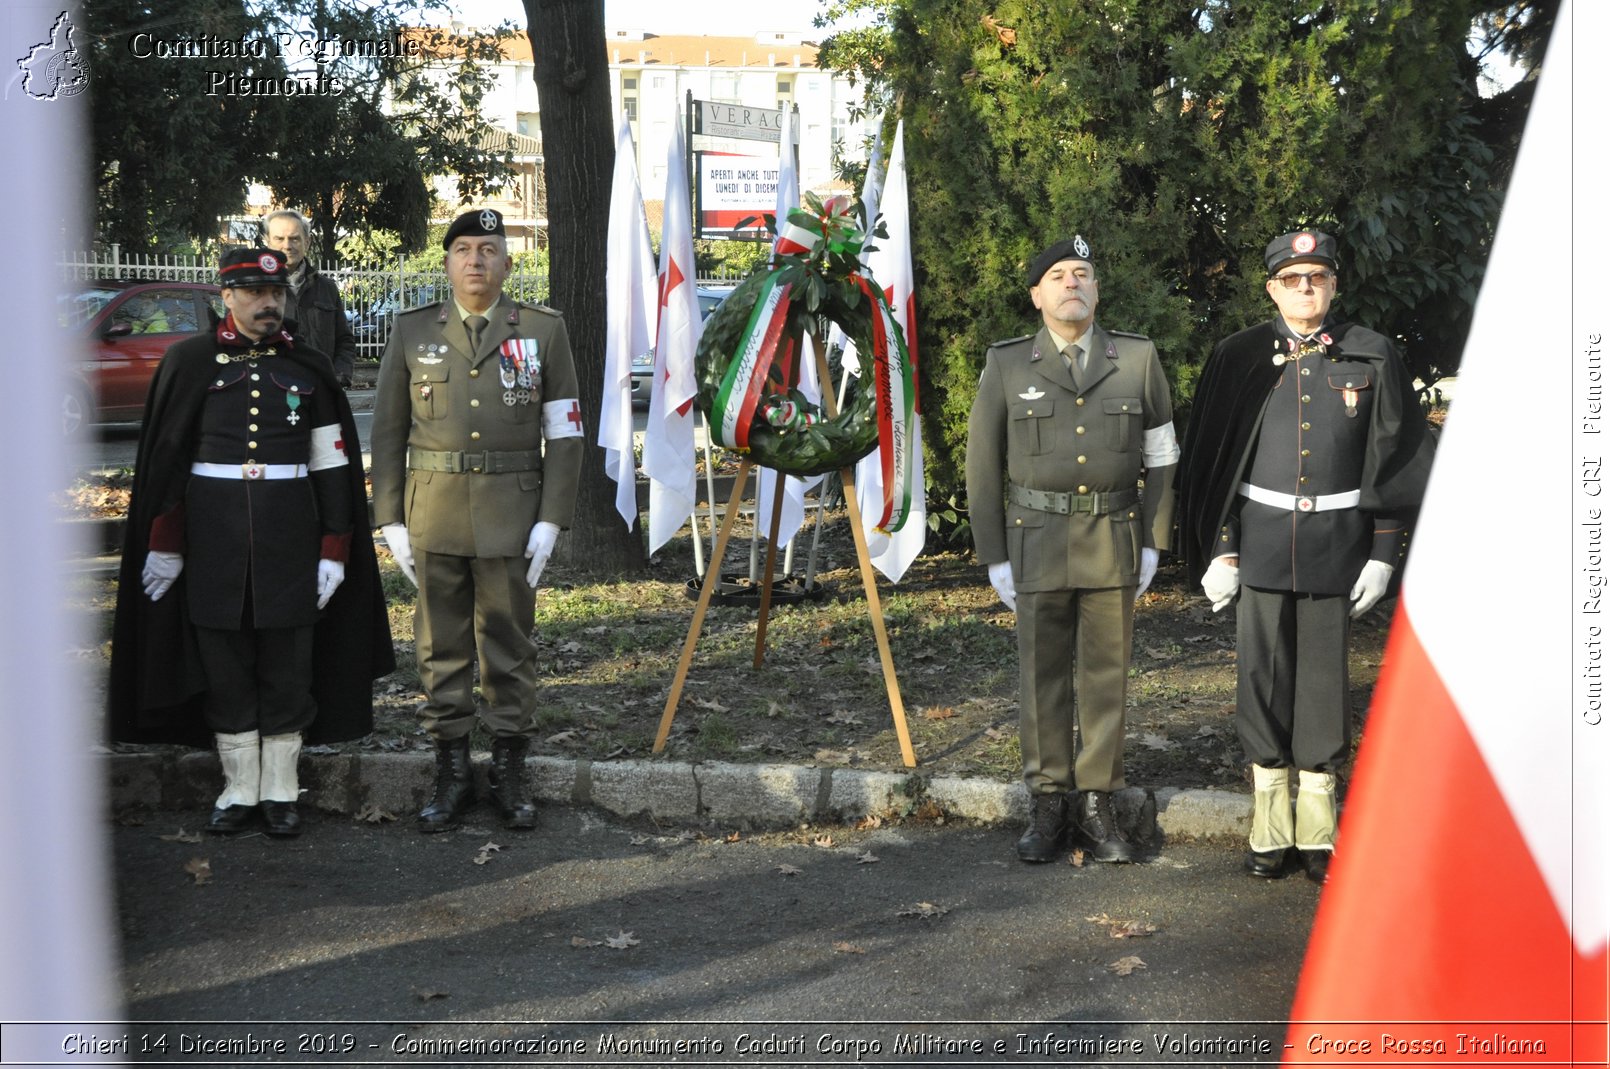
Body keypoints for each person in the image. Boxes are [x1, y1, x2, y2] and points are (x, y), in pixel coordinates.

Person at [108, 248, 395, 837]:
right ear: (227, 297)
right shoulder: (189, 362)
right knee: (225, 661)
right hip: (212, 542)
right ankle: (239, 789)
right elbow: (168, 463)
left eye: (277, 294)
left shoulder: (309, 368)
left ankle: (281, 789)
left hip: (290, 540)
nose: (269, 304)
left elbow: (332, 465)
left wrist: (335, 548)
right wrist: (165, 543)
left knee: (288, 665)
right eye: (255, 294)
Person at [1176, 230, 1434, 884]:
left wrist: (1382, 553)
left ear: (1335, 285)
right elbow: (1215, 464)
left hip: (1336, 546)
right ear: (1271, 288)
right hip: (1259, 544)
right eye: (1292, 280)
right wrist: (1222, 548)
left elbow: (1396, 460)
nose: (1305, 289)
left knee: (1322, 682)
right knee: (1259, 680)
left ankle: (1317, 829)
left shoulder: (1372, 354)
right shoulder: (1238, 357)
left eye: (1317, 277)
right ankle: (1270, 824)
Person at [369, 208, 584, 833]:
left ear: (507, 264)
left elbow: (564, 431)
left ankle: (510, 769)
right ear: (446, 263)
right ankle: (453, 769)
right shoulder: (413, 332)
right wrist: (391, 518)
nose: (475, 261)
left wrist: (552, 518)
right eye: (463, 249)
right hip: (432, 511)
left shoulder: (543, 331)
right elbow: (387, 432)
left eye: (488, 249)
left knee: (510, 643)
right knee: (440, 646)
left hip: (512, 514)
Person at [966, 235, 1179, 864]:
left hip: (1113, 536)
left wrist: (1154, 539)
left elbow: (1163, 456)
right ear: (1037, 294)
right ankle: (1049, 802)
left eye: (1082, 273)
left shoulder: (1136, 360)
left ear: (1097, 289)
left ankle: (1097, 802)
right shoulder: (1008, 364)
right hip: (1035, 540)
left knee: (1106, 676)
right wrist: (994, 553)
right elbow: (983, 465)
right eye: (1057, 275)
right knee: (1042, 678)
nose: (1071, 284)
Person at [263, 209, 359, 387]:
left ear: (307, 242)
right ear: (268, 241)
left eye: (294, 238)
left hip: (321, 389)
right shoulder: (256, 291)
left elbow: (344, 340)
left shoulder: (327, 288)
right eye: (279, 239)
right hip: (273, 392)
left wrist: (340, 374)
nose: (287, 245)